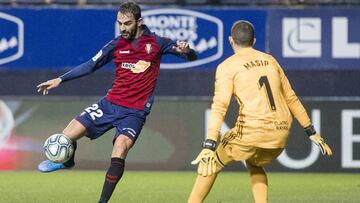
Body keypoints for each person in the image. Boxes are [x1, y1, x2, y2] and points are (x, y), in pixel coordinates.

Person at [36, 2, 197, 203]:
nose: (123, 28)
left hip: (134, 112)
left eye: (127, 23)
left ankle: (102, 202)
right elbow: (90, 65)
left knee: (120, 148)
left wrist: (187, 50)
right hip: (109, 104)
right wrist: (60, 79)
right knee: (67, 136)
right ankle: (67, 161)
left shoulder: (156, 42)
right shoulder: (116, 45)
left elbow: (190, 56)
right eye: (120, 23)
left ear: (139, 22)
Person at [187, 20, 332, 203]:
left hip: (251, 131)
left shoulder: (227, 66)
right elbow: (291, 98)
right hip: (280, 133)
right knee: (255, 164)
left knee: (211, 162)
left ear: (231, 40)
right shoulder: (270, 60)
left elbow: (220, 106)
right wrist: (311, 131)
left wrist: (209, 144)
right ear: (254, 41)